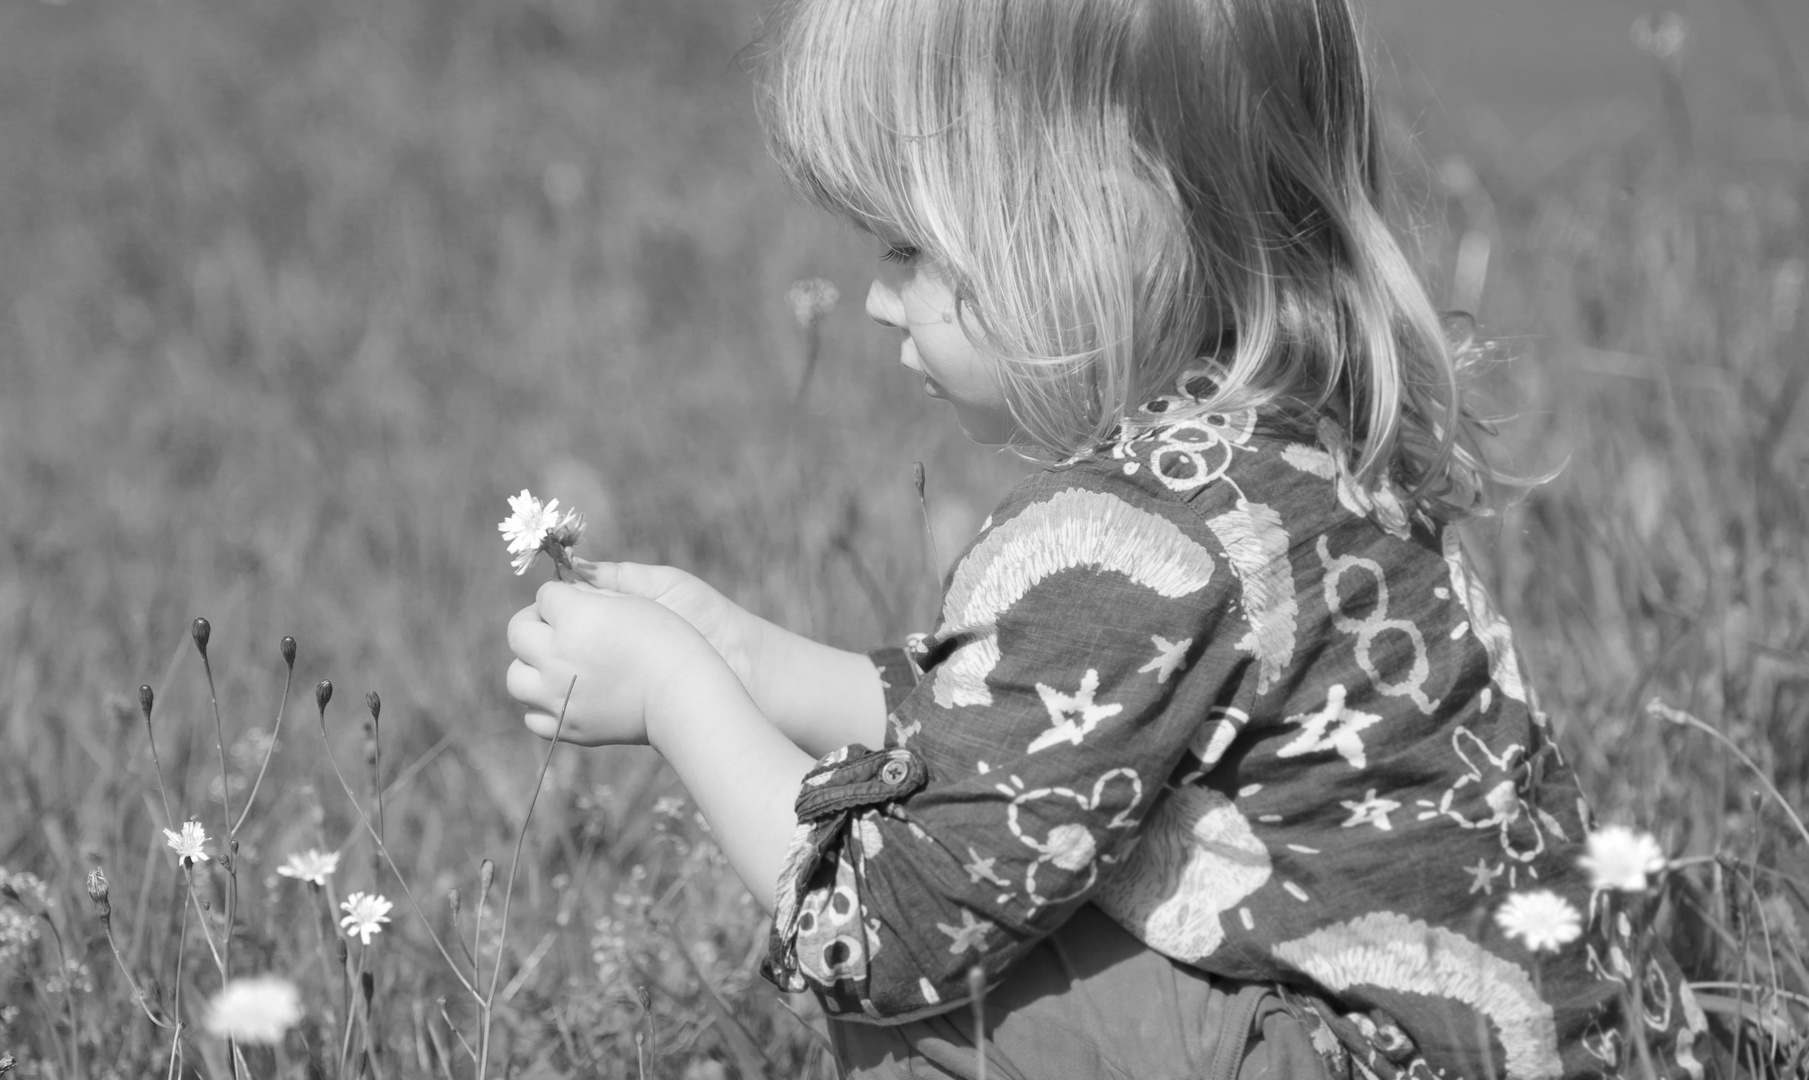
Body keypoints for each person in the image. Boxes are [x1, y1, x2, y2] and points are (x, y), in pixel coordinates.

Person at [505, 0, 1707, 1075]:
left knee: (937, 1006)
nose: (876, 297)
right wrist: (753, 660)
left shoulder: (1134, 542)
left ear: (1101, 230)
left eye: (909, 247)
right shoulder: (1283, 446)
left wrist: (678, 700)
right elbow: (1026, 740)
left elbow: (879, 934)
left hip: (1380, 1055)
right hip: (1568, 1035)